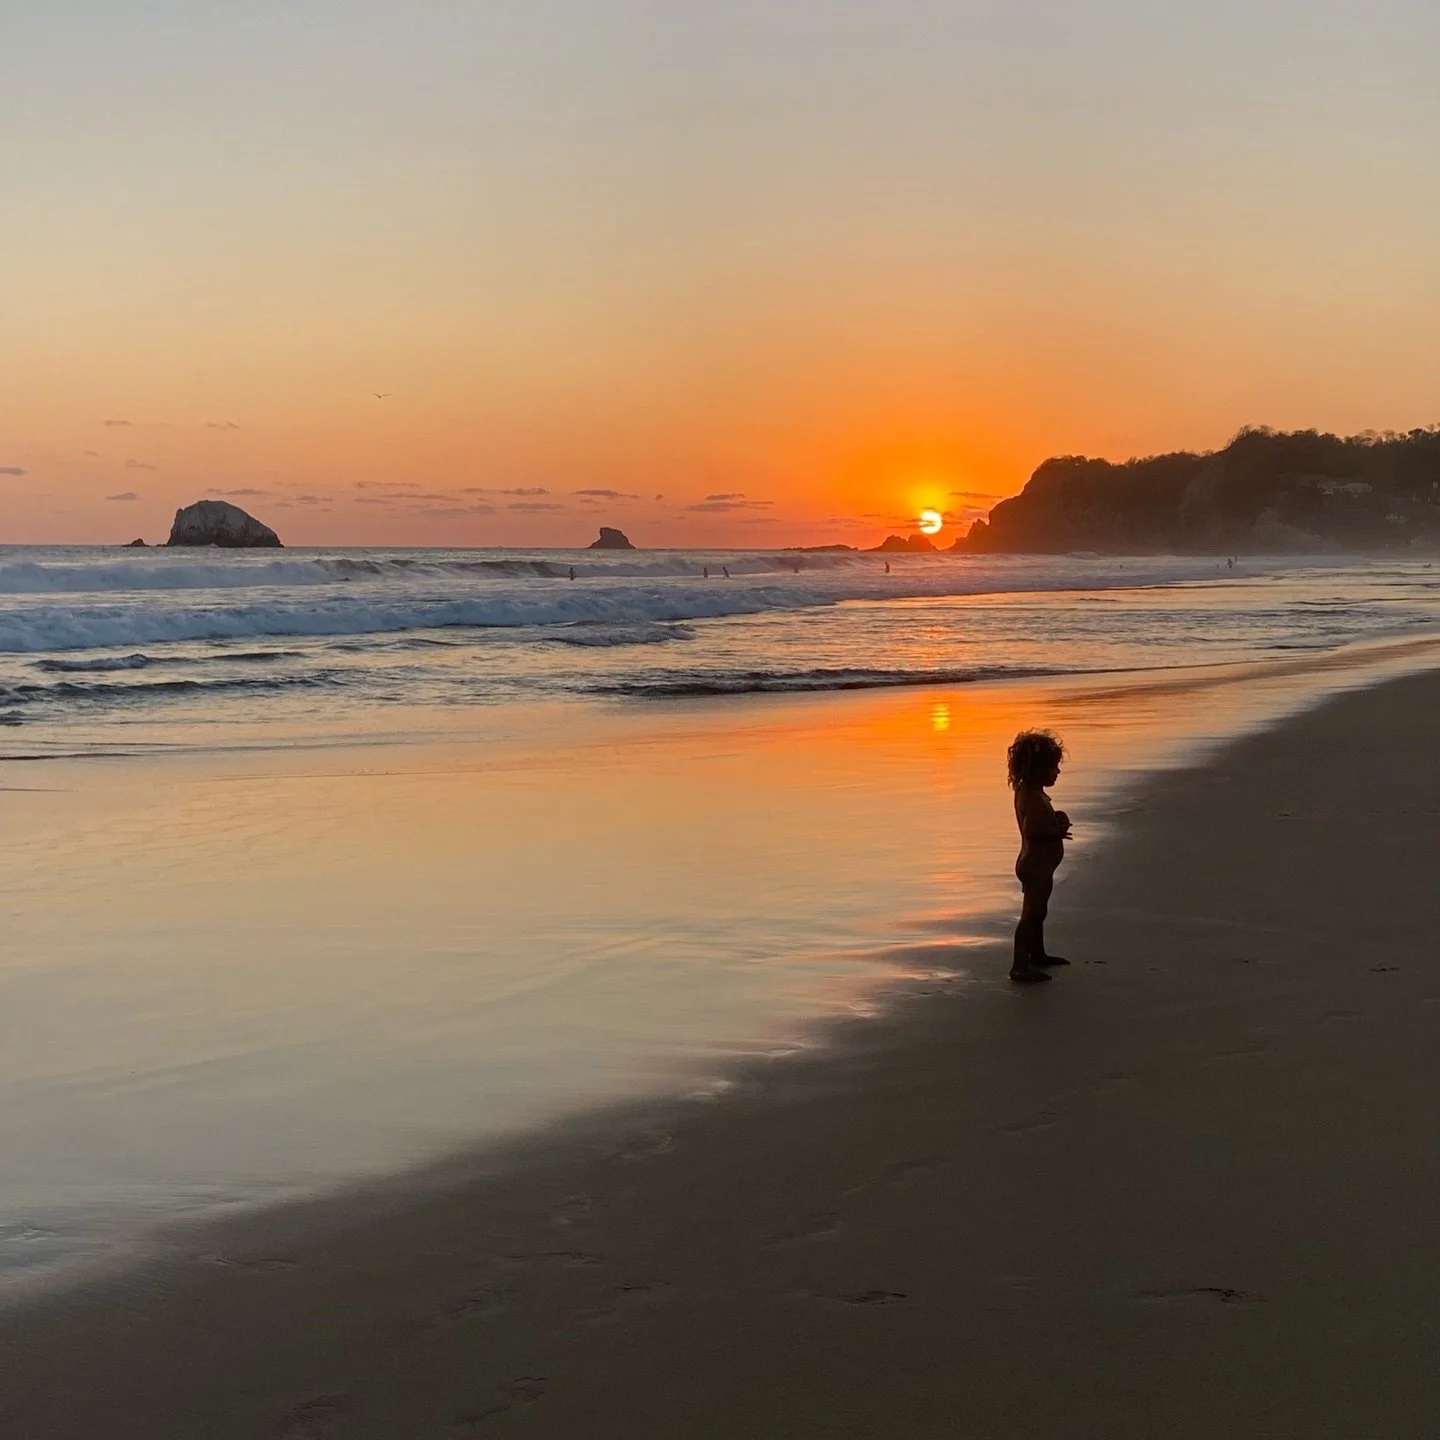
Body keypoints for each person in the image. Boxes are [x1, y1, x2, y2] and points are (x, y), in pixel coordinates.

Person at [1007, 729, 1072, 983]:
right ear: (1037, 769)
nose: (1057, 772)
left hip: (1039, 864)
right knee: (1031, 915)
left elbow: (1038, 822)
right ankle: (1019, 965)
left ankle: (1038, 953)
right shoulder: (1032, 796)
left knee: (1039, 912)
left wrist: (1056, 818)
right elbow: (1032, 830)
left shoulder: (1033, 793)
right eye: (1053, 767)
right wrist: (1057, 831)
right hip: (1035, 865)